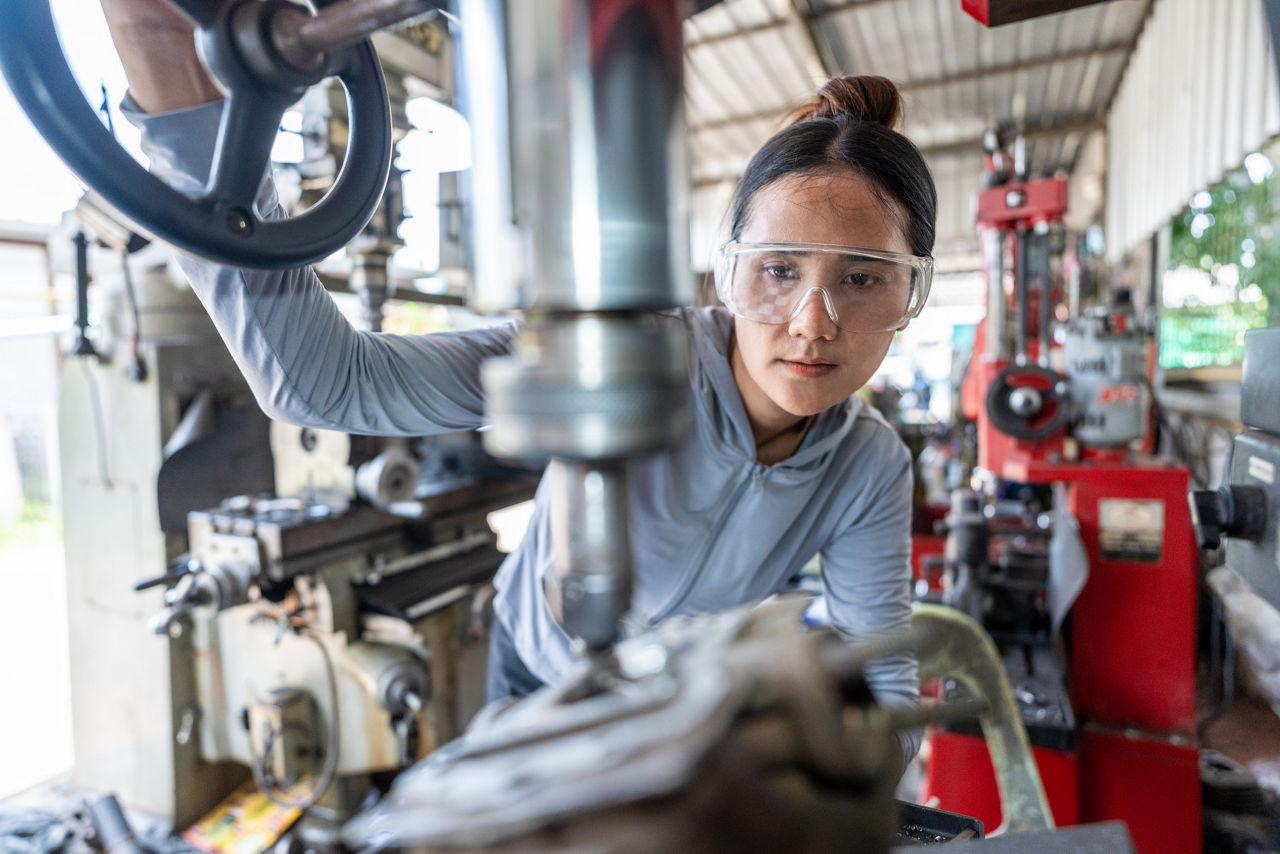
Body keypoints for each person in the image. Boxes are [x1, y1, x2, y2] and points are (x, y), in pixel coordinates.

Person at [99, 1, 937, 761]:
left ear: (912, 293)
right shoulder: (615, 348)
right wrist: (164, 60)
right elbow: (325, 381)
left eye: (864, 278)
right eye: (780, 270)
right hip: (534, 678)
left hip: (677, 717)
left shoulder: (869, 465)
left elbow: (884, 677)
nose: (813, 323)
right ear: (727, 273)